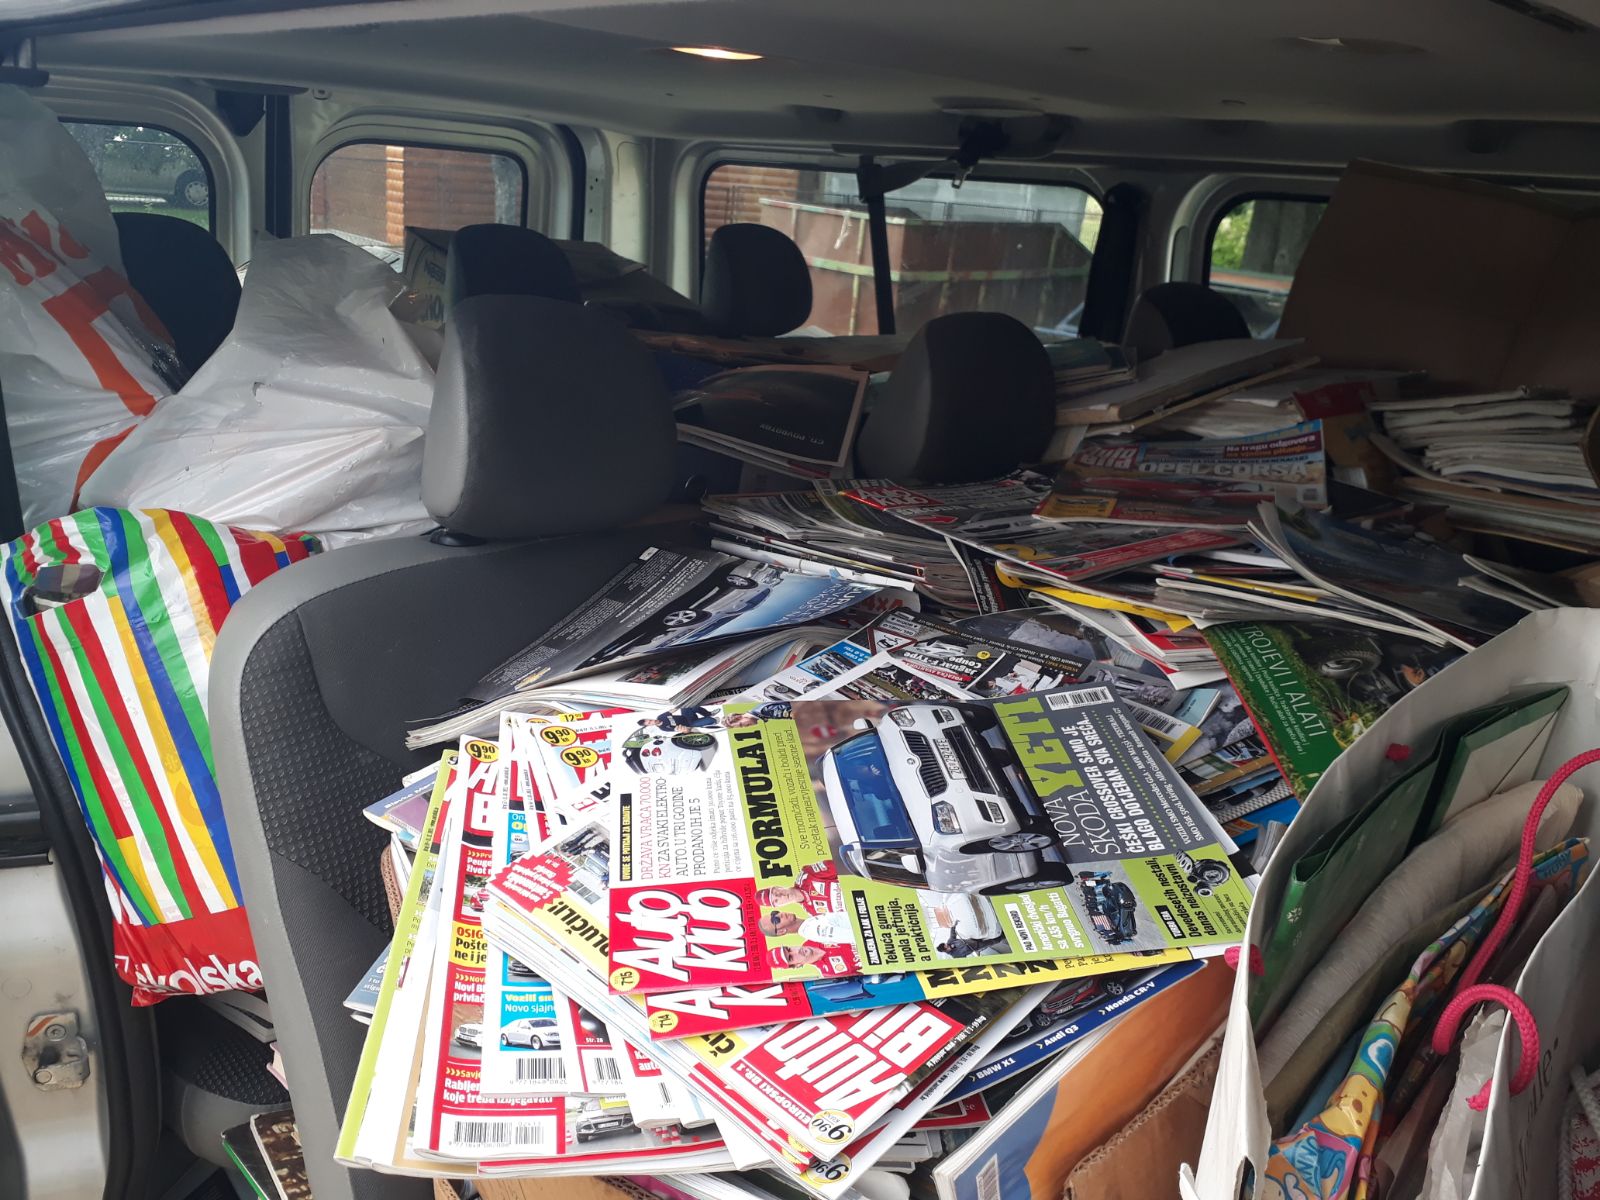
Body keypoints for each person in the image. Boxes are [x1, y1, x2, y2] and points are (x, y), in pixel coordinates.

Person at [936, 919, 1009, 958]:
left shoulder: (950, 941)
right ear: (945, 950)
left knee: (987, 934)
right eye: (947, 947)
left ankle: (999, 930)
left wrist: (954, 925)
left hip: (972, 940)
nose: (949, 945)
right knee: (992, 942)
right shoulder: (956, 955)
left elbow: (952, 933)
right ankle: (1005, 935)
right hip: (977, 946)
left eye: (947, 945)